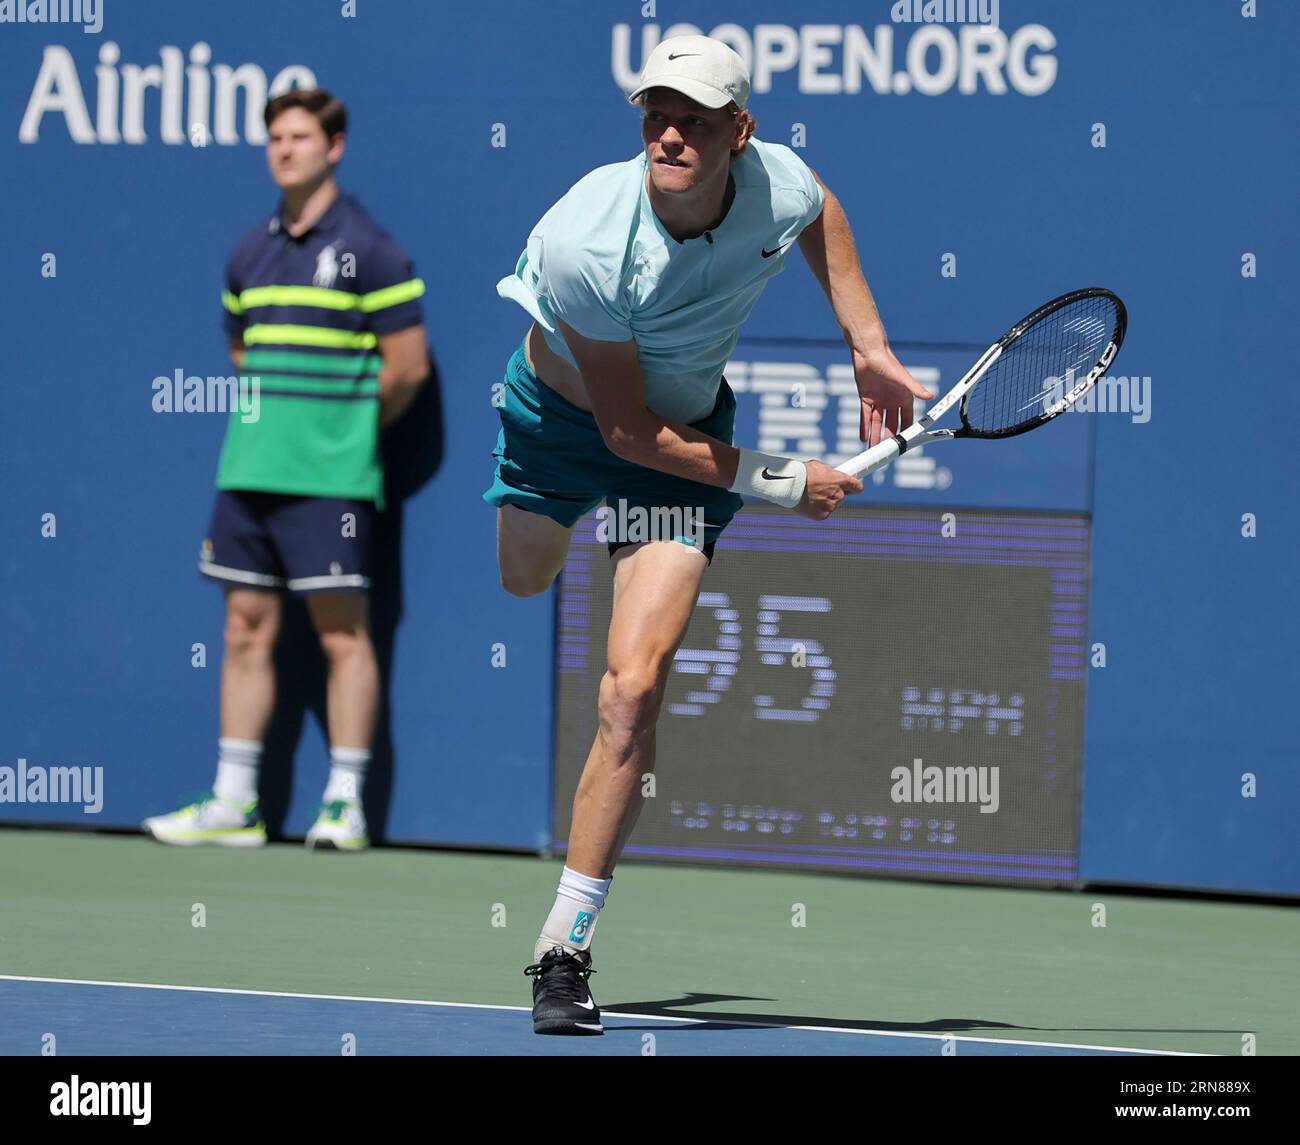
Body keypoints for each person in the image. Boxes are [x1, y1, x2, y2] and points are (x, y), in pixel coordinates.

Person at [485, 36, 933, 1034]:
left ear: (741, 132)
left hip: (680, 446)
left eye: (693, 117)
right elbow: (620, 430)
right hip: (565, 431)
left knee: (631, 688)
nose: (670, 132)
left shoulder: (775, 184)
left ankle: (561, 949)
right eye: (655, 113)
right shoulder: (585, 240)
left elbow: (817, 209)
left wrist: (870, 348)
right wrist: (780, 479)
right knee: (523, 580)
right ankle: (545, 513)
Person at [143, 89, 429, 852]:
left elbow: (406, 369)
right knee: (243, 629)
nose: (284, 149)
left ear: (333, 146)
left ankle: (344, 803)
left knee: (343, 635)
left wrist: (339, 430)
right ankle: (235, 800)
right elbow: (242, 352)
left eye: (299, 136)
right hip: (248, 470)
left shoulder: (372, 249)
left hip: (332, 481)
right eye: (275, 136)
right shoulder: (248, 253)